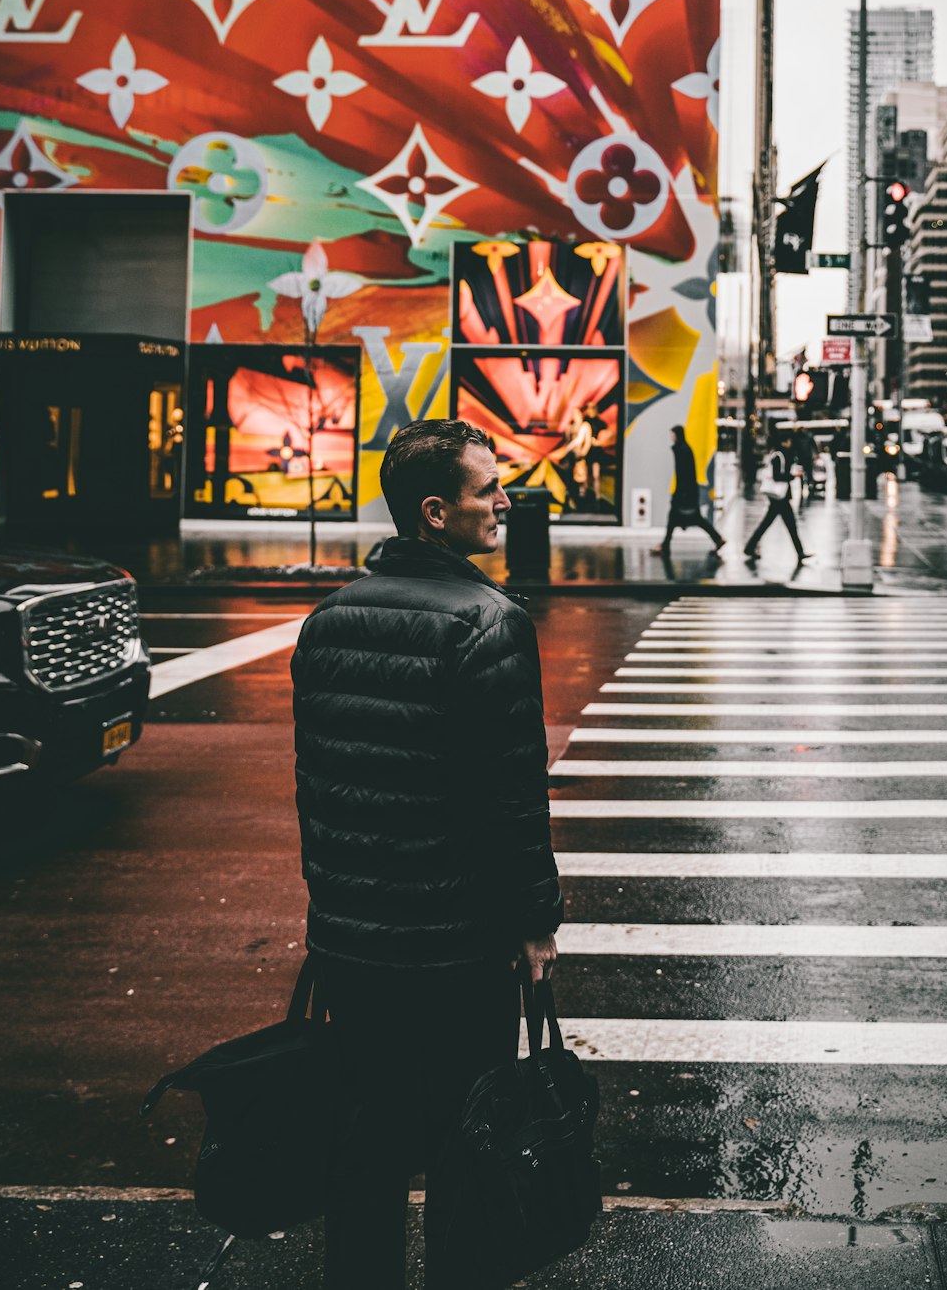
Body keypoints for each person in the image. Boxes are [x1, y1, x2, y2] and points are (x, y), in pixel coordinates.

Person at [291, 419, 562, 1290]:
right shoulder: (490, 625)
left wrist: (328, 913)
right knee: (462, 1143)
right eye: (490, 490)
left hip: (354, 943)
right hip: (455, 948)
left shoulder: (327, 621)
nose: (505, 502)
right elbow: (510, 800)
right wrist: (532, 924)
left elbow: (320, 789)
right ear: (436, 511)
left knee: (361, 1146)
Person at [652, 424, 725, 556]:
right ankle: (717, 539)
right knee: (693, 519)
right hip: (688, 493)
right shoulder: (683, 449)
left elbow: (684, 475)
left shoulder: (682, 450)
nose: (671, 437)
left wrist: (679, 494)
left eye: (672, 435)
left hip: (685, 493)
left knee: (677, 517)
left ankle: (665, 545)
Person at [744, 432, 812, 567]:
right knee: (790, 526)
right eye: (788, 441)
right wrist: (793, 476)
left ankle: (749, 548)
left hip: (780, 498)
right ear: (783, 442)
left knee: (770, 524)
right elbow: (777, 477)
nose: (790, 443)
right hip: (779, 498)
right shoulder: (778, 457)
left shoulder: (783, 455)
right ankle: (800, 553)